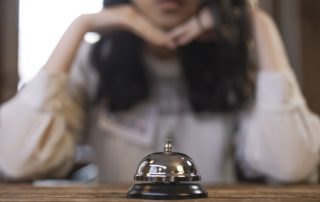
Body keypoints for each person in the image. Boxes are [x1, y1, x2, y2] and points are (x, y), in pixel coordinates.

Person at [0, 0, 319, 184]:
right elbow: (14, 159)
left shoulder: (238, 63)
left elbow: (291, 163)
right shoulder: (96, 60)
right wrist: (81, 25)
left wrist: (252, 18)